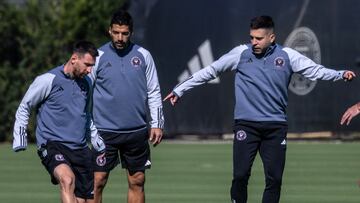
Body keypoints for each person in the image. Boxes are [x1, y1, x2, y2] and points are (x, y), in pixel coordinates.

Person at [164, 16, 356, 203]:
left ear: (271, 38)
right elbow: (211, 70)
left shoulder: (288, 56)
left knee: (274, 180)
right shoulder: (241, 53)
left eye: (259, 38)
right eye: (251, 37)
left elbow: (316, 70)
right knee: (240, 176)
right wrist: (180, 89)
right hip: (246, 126)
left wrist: (340, 74)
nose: (254, 42)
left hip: (275, 127)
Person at [12, 40, 105, 203]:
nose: (90, 70)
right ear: (74, 58)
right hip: (52, 144)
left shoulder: (88, 83)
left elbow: (86, 115)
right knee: (67, 179)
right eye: (87, 65)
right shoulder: (47, 80)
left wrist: (97, 141)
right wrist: (20, 137)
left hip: (80, 148)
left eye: (92, 66)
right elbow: (24, 107)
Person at [90, 10, 164, 203]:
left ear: (131, 33)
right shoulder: (97, 57)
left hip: (136, 131)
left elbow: (154, 90)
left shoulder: (143, 55)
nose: (120, 38)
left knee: (137, 180)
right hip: (104, 132)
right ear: (109, 31)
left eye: (124, 33)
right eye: (116, 32)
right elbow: (84, 93)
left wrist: (157, 123)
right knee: (97, 180)